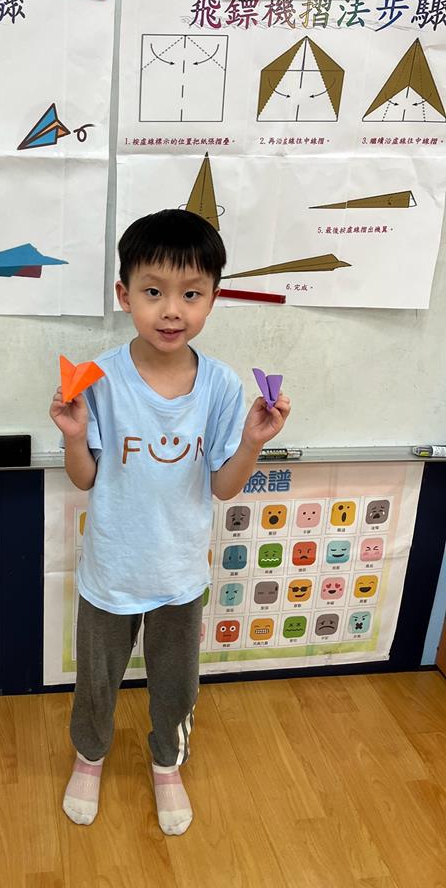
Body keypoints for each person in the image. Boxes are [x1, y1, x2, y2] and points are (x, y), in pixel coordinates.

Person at [49, 208, 290, 835]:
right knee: (96, 680)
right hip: (111, 568)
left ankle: (167, 765)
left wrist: (252, 444)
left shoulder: (221, 386)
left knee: (177, 683)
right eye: (153, 292)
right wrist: (74, 436)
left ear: (214, 298)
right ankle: (89, 757)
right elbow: (85, 478)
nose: (171, 310)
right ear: (124, 294)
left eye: (191, 294)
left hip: (180, 571)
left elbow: (222, 487)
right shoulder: (100, 378)